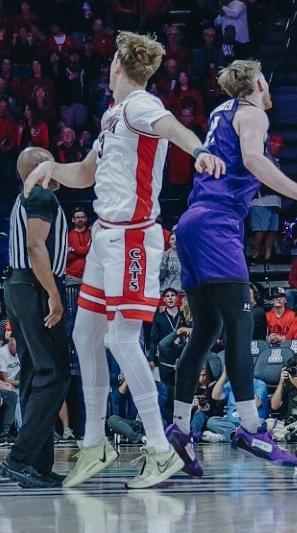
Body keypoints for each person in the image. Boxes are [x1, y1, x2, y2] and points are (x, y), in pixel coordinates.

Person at [21, 32, 224, 490]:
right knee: (84, 332)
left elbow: (172, 126)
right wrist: (51, 168)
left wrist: (201, 150)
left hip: (133, 238)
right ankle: (95, 444)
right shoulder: (113, 116)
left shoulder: (139, 106)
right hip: (103, 237)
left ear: (117, 65)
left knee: (122, 339)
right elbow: (87, 173)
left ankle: (158, 447)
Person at [165, 60, 297, 476]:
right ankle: (252, 427)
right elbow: (255, 161)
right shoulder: (253, 111)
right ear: (258, 82)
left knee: (205, 330)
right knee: (240, 326)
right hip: (218, 220)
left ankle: (180, 430)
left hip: (190, 222)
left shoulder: (222, 112)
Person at [0, 147, 73, 488]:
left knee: (33, 375)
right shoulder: (41, 192)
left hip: (18, 285)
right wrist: (54, 296)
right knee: (55, 373)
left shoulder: (24, 195)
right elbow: (35, 246)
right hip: (34, 285)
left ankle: (38, 464)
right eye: (50, 160)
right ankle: (19, 458)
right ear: (41, 167)